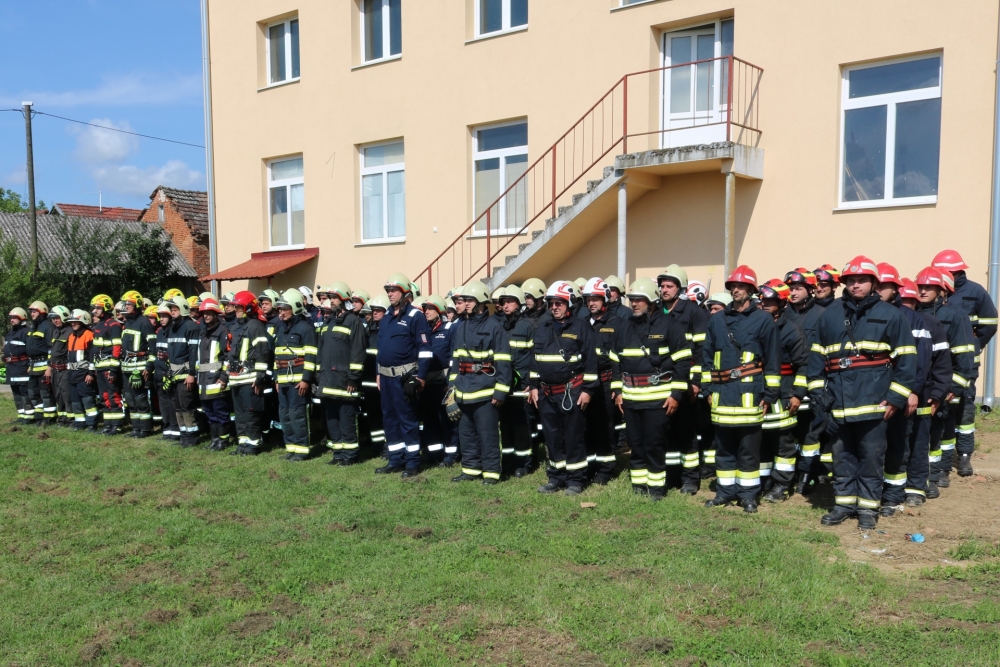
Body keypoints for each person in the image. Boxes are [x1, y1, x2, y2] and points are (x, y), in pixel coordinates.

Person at [806, 256, 916, 530]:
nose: (856, 285)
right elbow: (816, 359)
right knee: (842, 456)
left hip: (874, 403)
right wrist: (819, 395)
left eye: (862, 280)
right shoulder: (829, 314)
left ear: (874, 283)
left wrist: (895, 398)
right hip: (838, 403)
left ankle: (868, 509)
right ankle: (843, 504)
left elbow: (907, 360)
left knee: (871, 456)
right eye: (851, 281)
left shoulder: (892, 315)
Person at [702, 265, 781, 514]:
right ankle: (725, 492)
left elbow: (773, 359)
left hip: (751, 395)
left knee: (748, 449)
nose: (736, 290)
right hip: (722, 394)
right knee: (723, 448)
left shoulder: (763, 319)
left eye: (742, 286)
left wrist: (769, 394)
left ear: (751, 291)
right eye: (733, 286)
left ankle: (748, 495)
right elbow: (706, 357)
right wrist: (707, 389)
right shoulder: (716, 320)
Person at [610, 277, 691, 499]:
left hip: (658, 398)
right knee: (635, 443)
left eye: (639, 300)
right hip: (631, 398)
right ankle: (639, 486)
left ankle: (656, 488)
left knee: (654, 443)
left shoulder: (669, 325)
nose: (634, 304)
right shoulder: (623, 327)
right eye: (632, 300)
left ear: (652, 301)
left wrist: (676, 394)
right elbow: (615, 360)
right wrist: (618, 391)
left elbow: (683, 361)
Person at [528, 280, 599, 496]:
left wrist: (588, 390)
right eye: (551, 303)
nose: (554, 307)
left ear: (569, 304)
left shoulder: (581, 326)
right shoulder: (542, 327)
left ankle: (575, 480)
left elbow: (590, 361)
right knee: (552, 437)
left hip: (572, 392)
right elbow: (535, 359)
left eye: (559, 303)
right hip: (546, 394)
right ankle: (555, 477)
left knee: (573, 436)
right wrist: (532, 386)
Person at [931, 250, 995, 478]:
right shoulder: (934, 291)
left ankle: (965, 454)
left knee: (965, 408)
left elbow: (990, 322)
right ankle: (941, 456)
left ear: (958, 270)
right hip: (939, 363)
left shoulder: (975, 291)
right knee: (943, 409)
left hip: (966, 362)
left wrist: (975, 344)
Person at [914, 267, 976, 487]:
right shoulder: (913, 313)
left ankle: (943, 469)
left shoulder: (954, 315)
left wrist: (953, 388)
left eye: (929, 287)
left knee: (945, 427)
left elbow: (964, 356)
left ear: (941, 290)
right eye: (920, 286)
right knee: (924, 431)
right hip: (923, 385)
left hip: (946, 383)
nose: (923, 291)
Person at [448, 281, 512, 485]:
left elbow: (503, 362)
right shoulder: (462, 327)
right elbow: (456, 361)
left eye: (469, 300)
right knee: (466, 434)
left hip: (486, 391)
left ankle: (491, 473)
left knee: (488, 436)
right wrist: (451, 391)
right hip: (464, 391)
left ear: (482, 302)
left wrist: (500, 392)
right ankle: (470, 470)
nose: (465, 303)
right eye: (463, 300)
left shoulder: (495, 327)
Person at [897, 277, 951, 505]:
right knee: (895, 444)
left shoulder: (930, 323)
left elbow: (942, 362)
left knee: (919, 442)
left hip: (923, 394)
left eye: (911, 300)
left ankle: (916, 489)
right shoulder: (892, 321)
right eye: (904, 300)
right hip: (895, 393)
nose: (907, 304)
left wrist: (937, 395)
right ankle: (894, 487)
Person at [657, 264, 709, 492]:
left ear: (680, 288)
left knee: (686, 432)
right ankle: (672, 476)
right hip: (661, 382)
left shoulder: (694, 312)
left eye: (669, 286)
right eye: (661, 286)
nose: (664, 289)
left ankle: (690, 479)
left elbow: (702, 349)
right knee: (666, 430)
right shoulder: (657, 310)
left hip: (686, 381)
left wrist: (696, 381)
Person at [375, 274, 433, 478]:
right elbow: (380, 349)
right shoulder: (387, 317)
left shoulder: (415, 317)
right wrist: (378, 373)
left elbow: (425, 349)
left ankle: (412, 463)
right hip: (386, 378)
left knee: (407, 420)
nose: (390, 294)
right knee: (389, 420)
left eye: (394, 290)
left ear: (405, 293)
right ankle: (395, 459)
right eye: (388, 290)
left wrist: (420, 376)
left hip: (404, 378)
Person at [756, 279, 809, 502]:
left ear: (782, 303)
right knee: (760, 440)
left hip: (784, 393)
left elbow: (805, 364)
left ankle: (781, 484)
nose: (764, 304)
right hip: (758, 391)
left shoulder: (792, 330)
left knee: (783, 443)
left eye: (770, 300)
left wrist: (797, 393)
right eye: (762, 300)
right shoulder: (756, 324)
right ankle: (764, 481)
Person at [316, 282, 368, 466]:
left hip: (346, 382)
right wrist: (318, 374)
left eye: (334, 298)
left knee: (346, 419)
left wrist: (353, 377)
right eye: (330, 298)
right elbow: (320, 351)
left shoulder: (353, 321)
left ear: (344, 299)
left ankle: (351, 455)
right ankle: (338, 453)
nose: (331, 301)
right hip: (328, 380)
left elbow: (358, 351)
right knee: (332, 419)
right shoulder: (327, 322)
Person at [581, 277, 622, 485]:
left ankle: (606, 468)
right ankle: (590, 465)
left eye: (596, 299)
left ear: (605, 299)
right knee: (587, 425)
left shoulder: (616, 323)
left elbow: (619, 357)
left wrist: (617, 384)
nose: (592, 303)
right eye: (588, 299)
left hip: (606, 383)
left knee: (606, 426)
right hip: (586, 383)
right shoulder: (582, 323)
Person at [272, 289, 318, 461]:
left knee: (297, 415)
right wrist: (277, 378)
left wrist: (306, 379)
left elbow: (311, 355)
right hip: (283, 380)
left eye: (284, 309)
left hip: (298, 381)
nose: (281, 312)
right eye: (279, 309)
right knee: (285, 415)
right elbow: (276, 354)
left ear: (295, 308)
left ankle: (301, 450)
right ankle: (291, 448)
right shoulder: (281, 327)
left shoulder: (305, 328)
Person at [226, 291, 272, 456]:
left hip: (250, 378)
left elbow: (262, 353)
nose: (236, 309)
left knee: (250, 412)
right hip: (237, 378)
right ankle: (243, 444)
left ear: (248, 308)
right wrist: (227, 374)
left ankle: (253, 445)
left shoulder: (255, 326)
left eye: (239, 306)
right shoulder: (236, 327)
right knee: (240, 414)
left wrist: (260, 377)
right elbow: (231, 354)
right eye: (235, 306)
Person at [498, 285, 537, 477]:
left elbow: (535, 356)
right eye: (503, 302)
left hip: (522, 384)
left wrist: (531, 382)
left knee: (522, 425)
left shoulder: (529, 326)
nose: (506, 306)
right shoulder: (500, 326)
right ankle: (508, 461)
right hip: (504, 384)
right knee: (505, 425)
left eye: (510, 302)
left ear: (519, 304)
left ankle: (524, 463)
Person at [420, 294, 458, 467]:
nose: (426, 312)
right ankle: (434, 453)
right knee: (429, 418)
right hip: (426, 382)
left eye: (430, 309)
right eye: (425, 309)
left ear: (439, 310)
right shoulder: (423, 330)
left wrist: (449, 383)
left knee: (447, 419)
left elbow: (453, 357)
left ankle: (451, 455)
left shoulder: (449, 329)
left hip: (443, 382)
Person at [196, 298, 233, 451]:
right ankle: (215, 439)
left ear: (216, 314)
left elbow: (227, 357)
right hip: (204, 381)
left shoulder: (222, 331)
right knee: (210, 414)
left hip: (216, 380)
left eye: (209, 313)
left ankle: (223, 441)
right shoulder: (204, 332)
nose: (206, 316)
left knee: (220, 413)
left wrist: (224, 377)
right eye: (204, 313)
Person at [165, 295, 202, 447]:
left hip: (186, 375)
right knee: (178, 407)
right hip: (174, 375)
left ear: (183, 310)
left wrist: (192, 374)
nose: (172, 312)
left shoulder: (191, 327)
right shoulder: (173, 327)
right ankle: (184, 435)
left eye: (175, 310)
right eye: (171, 310)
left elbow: (194, 353)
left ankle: (192, 436)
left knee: (187, 407)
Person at [120, 291, 157, 439]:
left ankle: (146, 429)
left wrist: (148, 367)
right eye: (126, 304)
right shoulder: (127, 322)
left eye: (129, 304)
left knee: (140, 399)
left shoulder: (144, 322)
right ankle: (136, 428)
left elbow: (153, 348)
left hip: (139, 368)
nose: (126, 306)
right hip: (126, 367)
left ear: (136, 305)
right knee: (129, 399)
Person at [91, 294, 124, 435]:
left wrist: (113, 370)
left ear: (105, 307)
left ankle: (117, 426)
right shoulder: (98, 325)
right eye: (94, 308)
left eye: (97, 308)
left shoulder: (114, 325)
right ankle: (108, 425)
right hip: (100, 367)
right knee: (104, 397)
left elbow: (117, 348)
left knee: (113, 396)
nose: (94, 311)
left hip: (109, 367)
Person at [363, 294, 390, 453]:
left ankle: (389, 445)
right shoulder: (369, 330)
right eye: (373, 310)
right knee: (372, 415)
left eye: (379, 310)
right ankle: (377, 445)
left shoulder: (389, 330)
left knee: (387, 414)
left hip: (385, 380)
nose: (374, 313)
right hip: (368, 382)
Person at [65, 309, 100, 431]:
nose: (72, 324)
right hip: (73, 375)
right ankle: (80, 424)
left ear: (83, 321)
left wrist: (91, 373)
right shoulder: (70, 336)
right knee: (75, 401)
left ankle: (92, 424)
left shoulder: (89, 335)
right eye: (71, 322)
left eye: (75, 321)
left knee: (88, 400)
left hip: (84, 375)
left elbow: (92, 356)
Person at [24, 301, 56, 426]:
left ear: (42, 312)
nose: (32, 314)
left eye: (34, 311)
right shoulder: (34, 327)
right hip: (33, 366)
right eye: (31, 312)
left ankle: (49, 418)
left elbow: (51, 348)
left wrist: (49, 367)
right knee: (33, 393)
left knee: (45, 394)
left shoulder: (47, 326)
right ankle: (39, 417)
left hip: (44, 366)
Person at [153, 302, 179, 441]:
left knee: (171, 401)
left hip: (170, 372)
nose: (161, 319)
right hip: (159, 372)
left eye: (164, 316)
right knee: (163, 402)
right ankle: (167, 427)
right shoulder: (159, 332)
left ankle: (175, 429)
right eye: (160, 316)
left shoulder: (174, 331)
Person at [45, 306, 73, 427]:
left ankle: (71, 420)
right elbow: (52, 352)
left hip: (65, 369)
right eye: (53, 319)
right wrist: (49, 367)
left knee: (67, 395)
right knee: (58, 395)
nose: (55, 321)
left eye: (57, 318)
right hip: (55, 370)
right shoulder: (55, 332)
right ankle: (62, 420)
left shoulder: (70, 332)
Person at [4, 308, 31, 424]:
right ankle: (21, 415)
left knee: (24, 392)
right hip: (11, 368)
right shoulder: (10, 334)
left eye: (14, 318)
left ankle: (29, 417)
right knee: (16, 393)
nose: (12, 320)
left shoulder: (26, 332)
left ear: (22, 319)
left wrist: (30, 364)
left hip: (22, 367)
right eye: (11, 318)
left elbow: (30, 350)